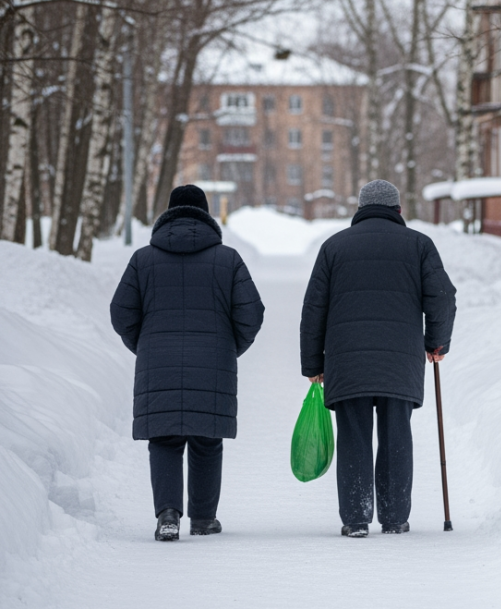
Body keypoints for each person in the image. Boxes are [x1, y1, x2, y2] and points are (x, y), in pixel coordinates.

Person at [300, 179, 457, 538]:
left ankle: (356, 519)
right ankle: (395, 517)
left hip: (347, 362)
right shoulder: (419, 245)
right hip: (399, 362)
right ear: (398, 210)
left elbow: (314, 309)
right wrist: (437, 343)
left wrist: (313, 363)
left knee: (353, 437)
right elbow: (442, 297)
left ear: (360, 209)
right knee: (396, 437)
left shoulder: (334, 247)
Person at [110, 185, 265, 541]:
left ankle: (167, 514)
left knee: (163, 439)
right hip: (212, 360)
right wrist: (228, 347)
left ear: (167, 213)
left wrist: (146, 344)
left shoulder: (143, 259)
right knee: (206, 439)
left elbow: (121, 313)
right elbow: (251, 314)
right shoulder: (228, 259)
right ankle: (203, 519)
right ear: (206, 215)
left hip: (158, 359)